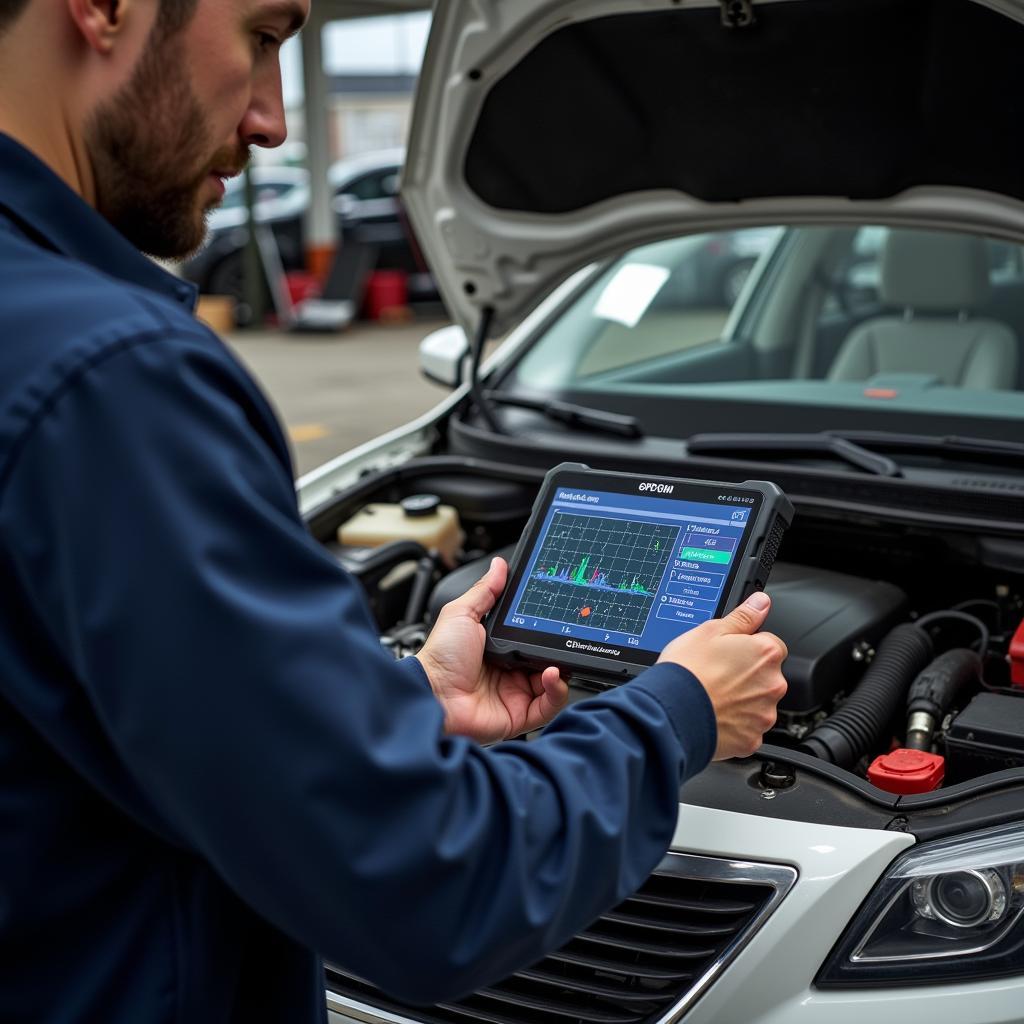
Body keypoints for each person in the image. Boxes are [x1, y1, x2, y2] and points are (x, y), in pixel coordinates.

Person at [0, 0, 789, 1021]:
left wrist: (401, 707)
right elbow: (432, 883)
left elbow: (109, 723)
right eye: (265, 38)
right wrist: (678, 710)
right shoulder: (110, 382)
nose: (275, 121)